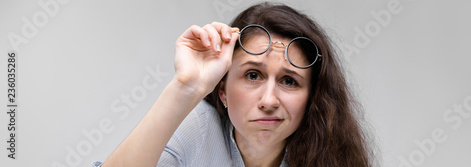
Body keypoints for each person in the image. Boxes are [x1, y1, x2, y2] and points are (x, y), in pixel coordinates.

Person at [94, 2, 375, 167]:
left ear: (311, 99)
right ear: (222, 90)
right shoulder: (197, 131)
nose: (269, 100)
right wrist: (185, 86)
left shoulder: (329, 155)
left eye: (289, 81)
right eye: (253, 75)